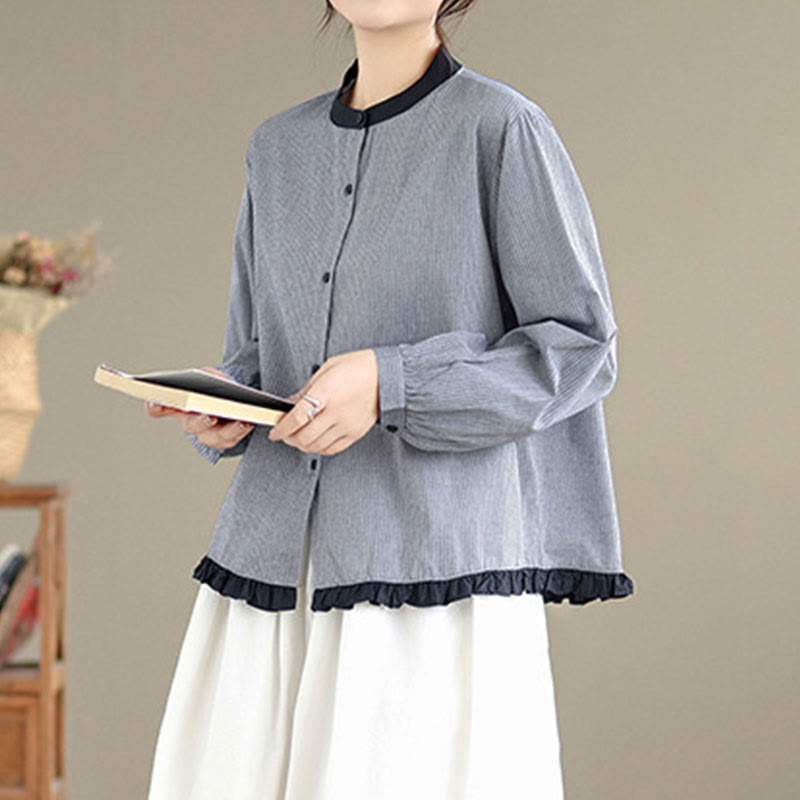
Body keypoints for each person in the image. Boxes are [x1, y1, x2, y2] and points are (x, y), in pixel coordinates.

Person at [144, 1, 634, 798]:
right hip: (274, 576)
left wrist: (390, 383)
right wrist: (232, 408)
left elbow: (578, 349)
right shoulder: (277, 148)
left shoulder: (500, 127)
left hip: (430, 578)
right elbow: (260, 352)